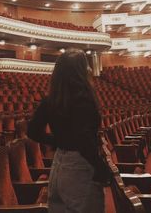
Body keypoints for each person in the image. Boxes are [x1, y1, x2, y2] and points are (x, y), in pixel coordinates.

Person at [27, 48, 109, 213]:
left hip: (59, 163)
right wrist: (100, 167)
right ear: (82, 70)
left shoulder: (50, 100)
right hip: (79, 165)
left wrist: (58, 141)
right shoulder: (83, 99)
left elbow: (32, 131)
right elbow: (84, 139)